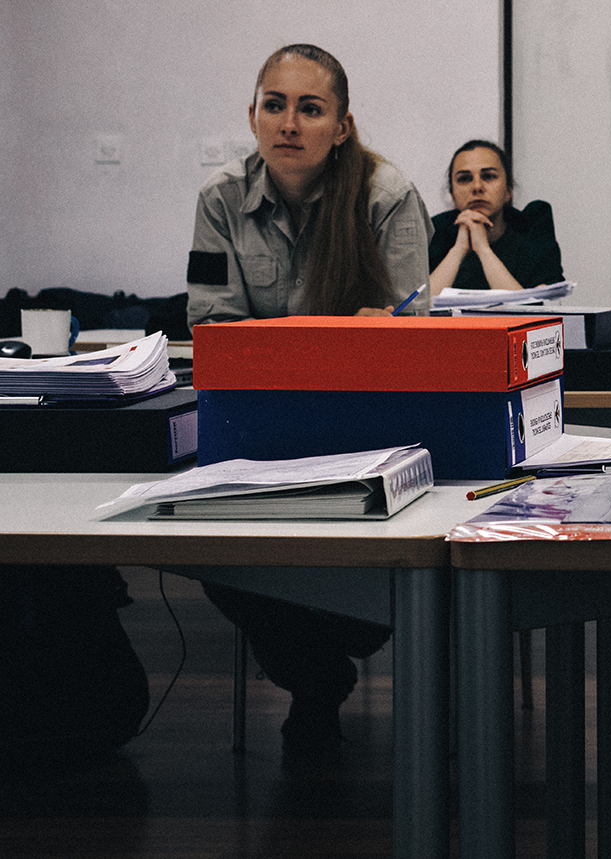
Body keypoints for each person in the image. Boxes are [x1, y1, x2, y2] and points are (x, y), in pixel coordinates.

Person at [186, 43, 432, 760]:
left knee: (367, 561)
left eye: (310, 108)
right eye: (275, 104)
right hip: (260, 429)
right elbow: (210, 331)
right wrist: (327, 337)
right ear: (253, 112)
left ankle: (326, 667)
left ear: (343, 125)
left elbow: (408, 340)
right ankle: (315, 677)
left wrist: (300, 343)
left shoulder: (387, 196)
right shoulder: (220, 198)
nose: (289, 122)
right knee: (216, 557)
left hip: (369, 429)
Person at [426, 139, 564, 295]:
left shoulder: (532, 228)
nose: (477, 187)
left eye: (489, 176)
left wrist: (483, 250)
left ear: (508, 190)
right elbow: (417, 313)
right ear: (452, 195)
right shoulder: (435, 233)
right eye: (464, 179)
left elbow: (534, 313)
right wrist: (458, 250)